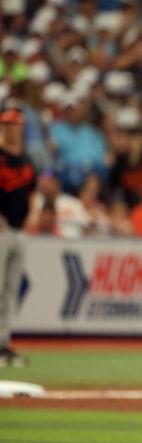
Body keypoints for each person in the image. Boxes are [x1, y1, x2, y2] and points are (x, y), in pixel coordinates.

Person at [0, 99, 35, 368]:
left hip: (19, 229)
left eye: (16, 124)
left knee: (11, 290)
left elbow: (31, 188)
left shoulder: (26, 159)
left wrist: (32, 211)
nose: (13, 129)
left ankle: (4, 344)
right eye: (8, 124)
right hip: (1, 231)